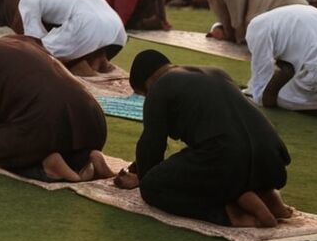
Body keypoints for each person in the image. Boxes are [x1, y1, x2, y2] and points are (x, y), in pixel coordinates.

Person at [114, 50, 294, 227]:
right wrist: (136, 168)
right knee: (213, 157)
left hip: (228, 161)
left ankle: (232, 212)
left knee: (153, 188)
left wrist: (144, 179)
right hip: (272, 162)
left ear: (148, 83)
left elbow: (152, 144)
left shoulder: (159, 88)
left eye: (144, 95)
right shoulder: (217, 73)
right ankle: (265, 195)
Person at [0, 27, 114, 182]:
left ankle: (47, 166)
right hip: (94, 124)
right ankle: (87, 157)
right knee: (47, 135)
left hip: (47, 122)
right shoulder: (22, 40)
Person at [245, 5, 317, 123]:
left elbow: (262, 70)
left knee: (274, 97)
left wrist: (260, 96)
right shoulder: (288, 14)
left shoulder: (256, 27)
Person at [17, 0, 127, 75]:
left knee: (38, 58)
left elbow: (33, 37)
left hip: (88, 24)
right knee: (93, 63)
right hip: (118, 30)